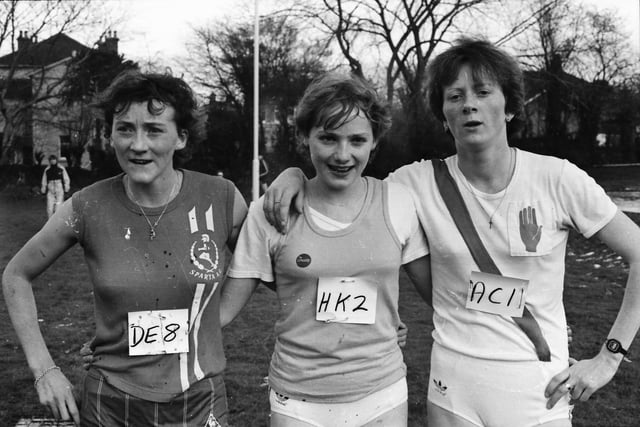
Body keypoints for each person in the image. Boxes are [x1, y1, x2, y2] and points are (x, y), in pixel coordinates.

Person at [262, 38, 640, 427]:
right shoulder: (415, 183)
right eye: (454, 96)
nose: (468, 104)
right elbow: (345, 188)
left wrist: (609, 358)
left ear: (510, 107)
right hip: (452, 389)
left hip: (538, 385)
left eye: (482, 91)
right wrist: (293, 177)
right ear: (443, 115)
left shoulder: (557, 178)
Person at [2, 70, 247, 426]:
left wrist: (212, 319)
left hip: (200, 401)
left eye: (154, 129)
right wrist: (44, 370)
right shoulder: (86, 207)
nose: (138, 144)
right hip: (111, 404)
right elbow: (16, 275)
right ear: (111, 134)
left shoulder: (221, 198)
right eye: (125, 129)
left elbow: (263, 267)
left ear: (181, 137)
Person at [219, 72, 431, 426]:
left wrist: (533, 315)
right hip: (298, 399)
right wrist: (119, 341)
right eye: (328, 139)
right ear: (305, 137)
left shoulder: (398, 202)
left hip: (382, 393)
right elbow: (223, 313)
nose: (342, 155)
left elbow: (442, 295)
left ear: (374, 142)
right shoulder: (271, 212)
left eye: (357, 140)